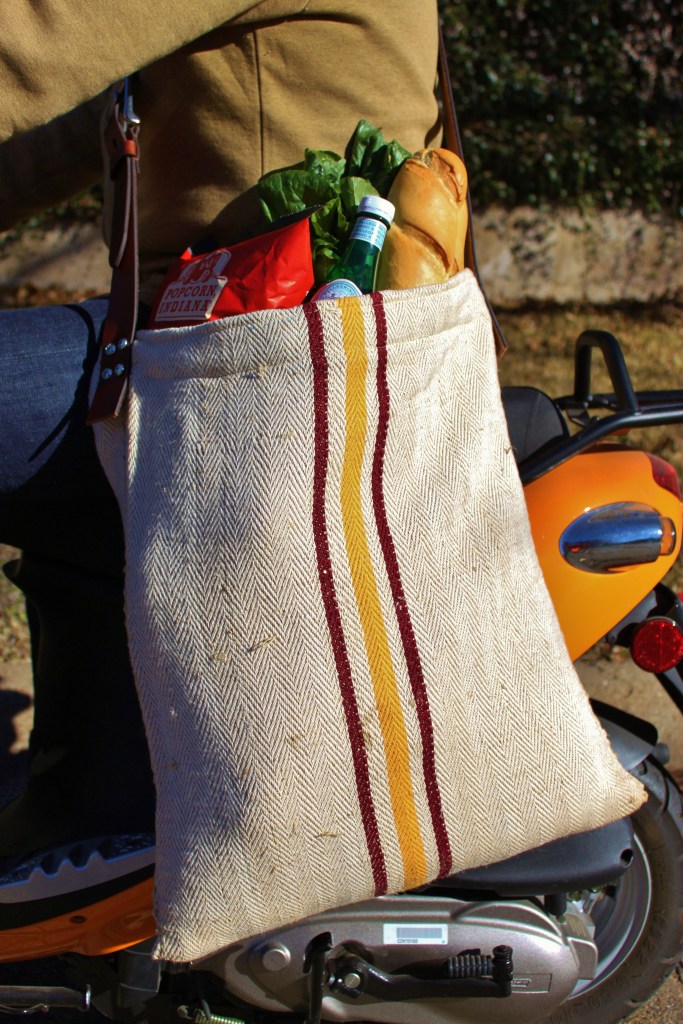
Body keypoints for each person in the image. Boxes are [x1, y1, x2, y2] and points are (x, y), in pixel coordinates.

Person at [0, 0, 442, 873]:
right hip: (241, 335)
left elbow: (28, 50)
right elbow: (56, 124)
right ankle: (104, 823)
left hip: (261, 353)